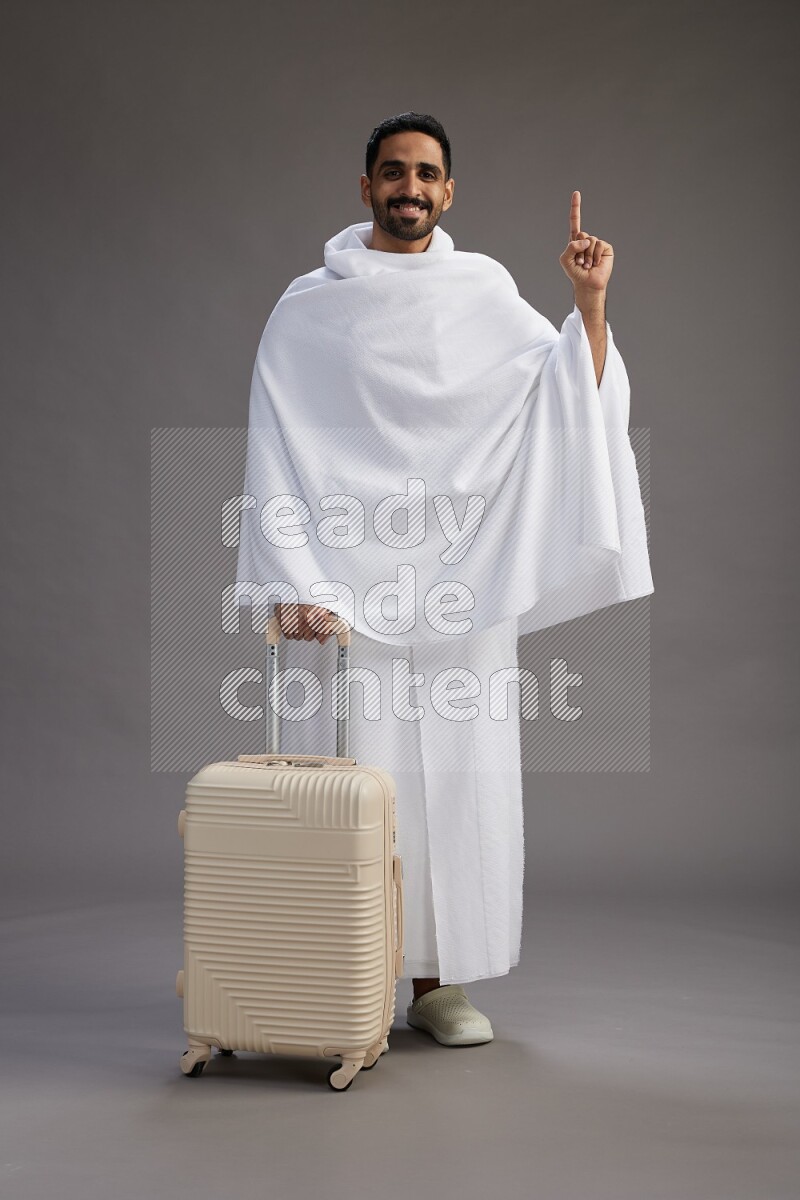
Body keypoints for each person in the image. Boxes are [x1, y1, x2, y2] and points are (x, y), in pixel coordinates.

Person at [235, 112, 653, 1047]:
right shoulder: (308, 310)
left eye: (426, 174)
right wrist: (292, 581)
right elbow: (277, 446)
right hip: (340, 595)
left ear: (449, 191)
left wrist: (588, 304)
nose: (410, 188)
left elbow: (566, 399)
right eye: (394, 172)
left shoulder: (484, 295)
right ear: (366, 188)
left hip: (462, 584)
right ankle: (335, 983)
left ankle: (436, 982)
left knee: (453, 786)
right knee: (347, 788)